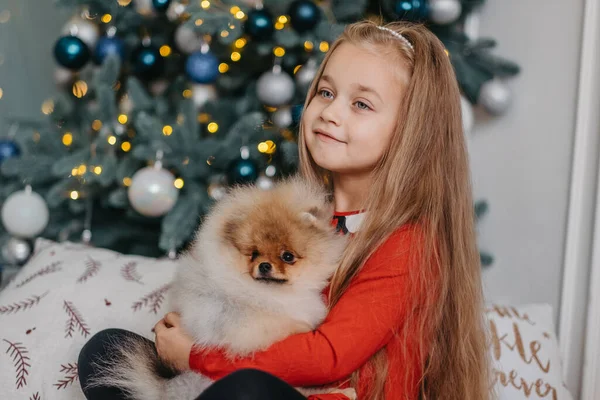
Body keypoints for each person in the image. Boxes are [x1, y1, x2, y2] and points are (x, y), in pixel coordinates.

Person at [78, 20, 491, 400]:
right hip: (260, 377)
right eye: (326, 93)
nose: (329, 112)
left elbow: (327, 357)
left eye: (361, 104)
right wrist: (195, 328)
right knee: (107, 353)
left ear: (412, 133)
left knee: (247, 390)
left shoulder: (409, 243)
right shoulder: (301, 222)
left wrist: (195, 357)